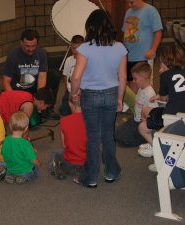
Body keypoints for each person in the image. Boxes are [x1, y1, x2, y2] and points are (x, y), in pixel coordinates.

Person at [71, 9, 127, 188]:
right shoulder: (120, 47)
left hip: (90, 96)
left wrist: (74, 93)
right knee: (108, 135)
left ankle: (90, 177)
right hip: (111, 93)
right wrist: (119, 99)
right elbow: (123, 77)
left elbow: (76, 76)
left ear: (90, 28)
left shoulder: (84, 49)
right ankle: (111, 171)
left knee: (93, 136)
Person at [138, 44, 185, 161]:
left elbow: (164, 98)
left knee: (142, 124)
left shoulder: (165, 75)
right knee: (148, 113)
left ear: (164, 61)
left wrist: (160, 96)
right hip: (182, 117)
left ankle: (157, 150)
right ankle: (159, 141)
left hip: (171, 118)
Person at [122, 0, 163, 93]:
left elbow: (158, 32)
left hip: (144, 56)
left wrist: (153, 49)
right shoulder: (128, 12)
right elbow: (125, 33)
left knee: (145, 85)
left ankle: (147, 106)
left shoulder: (151, 11)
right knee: (132, 82)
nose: (129, 5)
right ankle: (136, 106)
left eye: (131, 2)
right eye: (128, 2)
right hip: (129, 56)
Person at [116, 62, 158, 147]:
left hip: (143, 124)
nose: (133, 82)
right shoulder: (140, 89)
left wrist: (144, 126)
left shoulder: (149, 93)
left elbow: (154, 115)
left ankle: (145, 138)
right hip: (135, 120)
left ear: (143, 78)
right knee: (117, 134)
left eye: (135, 79)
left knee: (123, 139)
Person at [49, 97, 86, 180]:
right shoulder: (92, 120)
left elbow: (64, 145)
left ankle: (56, 170)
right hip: (88, 164)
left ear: (70, 104)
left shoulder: (64, 120)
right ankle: (83, 171)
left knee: (55, 153)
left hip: (70, 163)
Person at [1, 29, 47, 94]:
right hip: (18, 89)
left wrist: (38, 97)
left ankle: (45, 103)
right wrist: (13, 98)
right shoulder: (13, 55)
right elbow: (5, 82)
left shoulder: (41, 53)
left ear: (37, 43)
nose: (30, 49)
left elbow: (42, 78)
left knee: (54, 76)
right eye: (27, 46)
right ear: (21, 43)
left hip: (33, 87)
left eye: (33, 46)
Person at [1, 111, 41, 184]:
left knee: (9, 166)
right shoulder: (25, 143)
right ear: (26, 128)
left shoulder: (6, 140)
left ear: (10, 126)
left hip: (11, 169)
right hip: (25, 171)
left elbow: (3, 154)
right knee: (37, 169)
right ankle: (23, 177)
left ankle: (10, 175)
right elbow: (34, 160)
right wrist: (39, 163)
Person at [58, 35, 84, 116]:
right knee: (64, 112)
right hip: (70, 91)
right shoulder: (69, 60)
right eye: (73, 48)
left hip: (82, 92)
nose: (75, 51)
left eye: (78, 48)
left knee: (79, 112)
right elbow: (65, 76)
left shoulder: (87, 60)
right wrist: (68, 91)